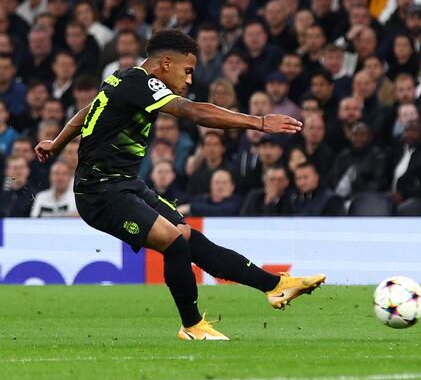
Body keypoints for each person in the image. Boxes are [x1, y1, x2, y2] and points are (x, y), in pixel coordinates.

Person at [35, 29, 325, 341]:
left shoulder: (123, 77)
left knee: (188, 237)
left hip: (126, 185)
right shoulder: (142, 82)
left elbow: (88, 111)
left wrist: (56, 142)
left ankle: (276, 286)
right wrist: (259, 122)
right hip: (99, 192)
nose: (189, 81)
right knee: (173, 242)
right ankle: (192, 326)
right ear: (164, 64)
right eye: (187, 72)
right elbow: (192, 111)